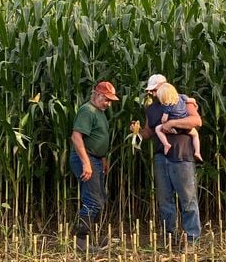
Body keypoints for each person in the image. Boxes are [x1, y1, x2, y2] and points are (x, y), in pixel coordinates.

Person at [131, 74, 202, 248]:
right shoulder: (152, 109)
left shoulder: (184, 101)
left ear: (165, 86)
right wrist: (137, 131)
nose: (153, 94)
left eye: (155, 90)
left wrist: (173, 123)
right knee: (164, 201)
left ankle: (192, 239)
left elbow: (196, 121)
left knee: (188, 200)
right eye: (151, 91)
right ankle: (170, 238)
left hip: (182, 156)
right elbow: (149, 132)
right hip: (161, 157)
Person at [70, 81, 119, 250]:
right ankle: (81, 242)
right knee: (93, 201)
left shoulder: (100, 113)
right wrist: (86, 163)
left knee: (99, 199)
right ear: (97, 95)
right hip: (86, 158)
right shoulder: (87, 111)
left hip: (96, 159)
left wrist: (103, 159)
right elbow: (76, 137)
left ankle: (88, 239)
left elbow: (98, 137)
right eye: (106, 99)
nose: (108, 104)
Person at [155, 82, 202, 162]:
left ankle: (166, 144)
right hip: (185, 127)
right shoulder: (182, 97)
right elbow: (192, 100)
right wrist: (195, 104)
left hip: (174, 128)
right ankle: (197, 152)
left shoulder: (167, 106)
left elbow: (164, 119)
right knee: (195, 135)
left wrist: (164, 123)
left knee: (158, 129)